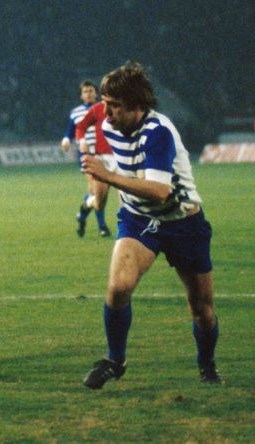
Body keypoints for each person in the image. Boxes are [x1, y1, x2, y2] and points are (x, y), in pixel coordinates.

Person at [81, 62, 222, 389]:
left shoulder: (158, 132)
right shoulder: (109, 125)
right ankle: (115, 360)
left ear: (136, 105)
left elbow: (160, 191)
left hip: (183, 222)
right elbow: (115, 168)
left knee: (202, 309)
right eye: (105, 102)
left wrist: (108, 177)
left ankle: (207, 365)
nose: (106, 113)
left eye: (114, 105)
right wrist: (102, 189)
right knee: (118, 288)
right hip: (139, 219)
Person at [61, 80, 101, 237]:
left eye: (91, 90)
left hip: (105, 155)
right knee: (96, 190)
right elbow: (70, 131)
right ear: (81, 95)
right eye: (85, 91)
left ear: (96, 93)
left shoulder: (104, 108)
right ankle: (103, 227)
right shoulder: (76, 112)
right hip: (86, 155)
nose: (88, 94)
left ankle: (82, 216)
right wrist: (66, 140)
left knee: (94, 192)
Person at [75, 101, 117, 237]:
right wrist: (82, 141)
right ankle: (85, 207)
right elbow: (80, 127)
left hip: (122, 158)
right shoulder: (97, 109)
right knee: (99, 202)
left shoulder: (127, 106)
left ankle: (127, 233)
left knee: (127, 198)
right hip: (102, 159)